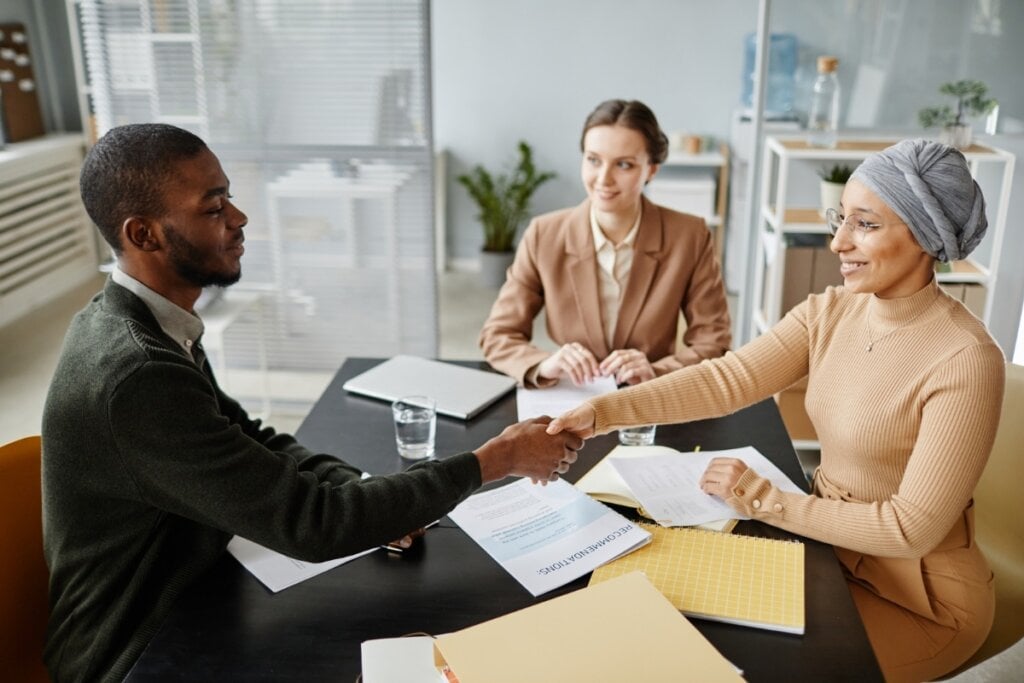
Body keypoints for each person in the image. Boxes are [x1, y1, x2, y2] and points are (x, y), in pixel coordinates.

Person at [41, 123, 583, 682]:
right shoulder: (140, 373)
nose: (238, 218)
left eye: (228, 196)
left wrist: (360, 489)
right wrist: (495, 460)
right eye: (213, 207)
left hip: (188, 584)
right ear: (145, 235)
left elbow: (249, 436)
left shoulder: (146, 324)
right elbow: (315, 526)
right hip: (133, 646)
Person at [549, 139, 1004, 683]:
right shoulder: (831, 310)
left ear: (924, 237)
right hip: (825, 550)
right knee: (685, 641)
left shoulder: (965, 359)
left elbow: (910, 531)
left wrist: (761, 499)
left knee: (759, 672)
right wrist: (603, 411)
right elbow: (728, 380)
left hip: (919, 597)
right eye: (841, 218)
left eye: (864, 224)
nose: (838, 241)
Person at [479, 99, 731, 388]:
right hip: (569, 398)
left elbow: (714, 343)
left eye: (624, 164)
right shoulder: (543, 235)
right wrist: (544, 363)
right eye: (593, 160)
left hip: (647, 404)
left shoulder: (690, 236)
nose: (603, 179)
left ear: (651, 170)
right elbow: (498, 335)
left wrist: (657, 372)